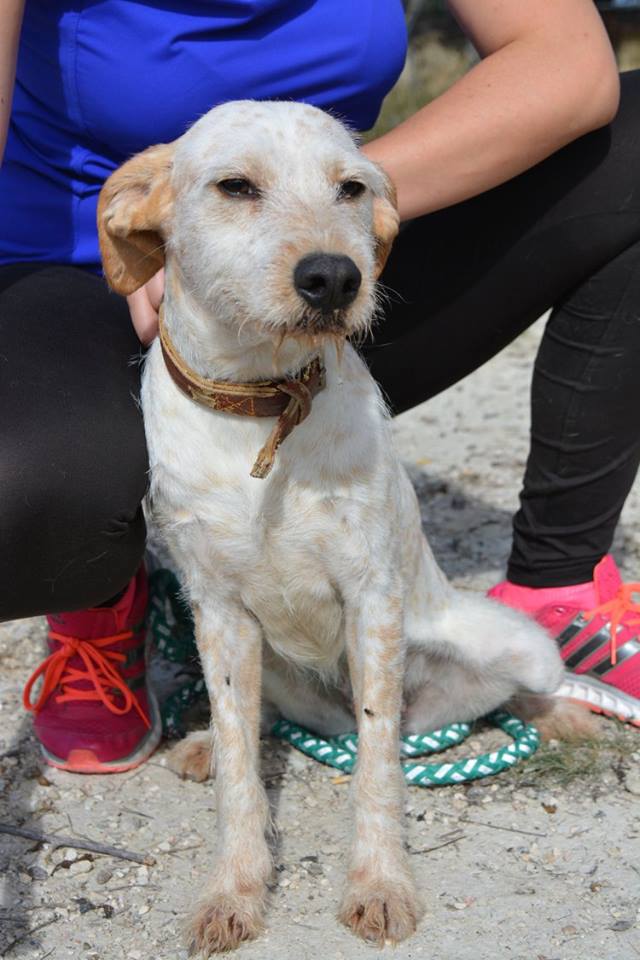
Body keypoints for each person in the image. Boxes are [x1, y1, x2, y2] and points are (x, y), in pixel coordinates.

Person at [0, 1, 637, 775]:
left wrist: (333, 208)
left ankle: (557, 585)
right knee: (27, 490)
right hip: (91, 266)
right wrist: (183, 226)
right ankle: (105, 604)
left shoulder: (334, 222)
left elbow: (566, 62)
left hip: (325, 265)